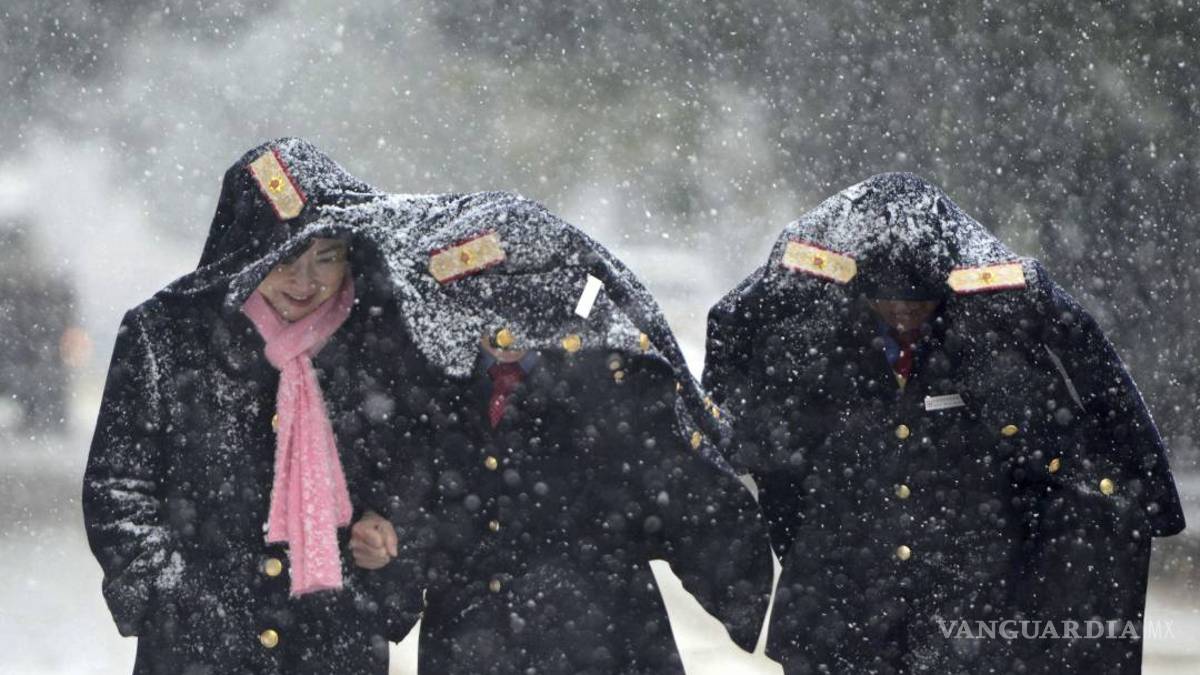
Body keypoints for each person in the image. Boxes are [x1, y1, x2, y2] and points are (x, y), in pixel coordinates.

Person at [703, 173, 1185, 674]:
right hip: (837, 613)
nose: (903, 315)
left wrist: (1143, 492)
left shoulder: (991, 335)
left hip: (963, 615)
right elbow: (776, 467)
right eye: (888, 302)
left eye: (918, 303)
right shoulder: (813, 340)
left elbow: (1090, 375)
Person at [340, 191, 773, 673]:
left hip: (608, 642)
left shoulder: (614, 387)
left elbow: (689, 502)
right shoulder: (426, 391)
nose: (504, 329)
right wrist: (382, 550)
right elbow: (406, 508)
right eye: (481, 305)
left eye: (525, 307)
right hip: (468, 645)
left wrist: (749, 593)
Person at [82, 138, 433, 674]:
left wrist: (387, 549)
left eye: (327, 257)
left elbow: (418, 475)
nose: (306, 281)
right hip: (199, 648)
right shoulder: (166, 334)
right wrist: (169, 598)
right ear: (246, 248)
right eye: (285, 256)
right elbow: (117, 487)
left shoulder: (378, 344)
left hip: (333, 645)